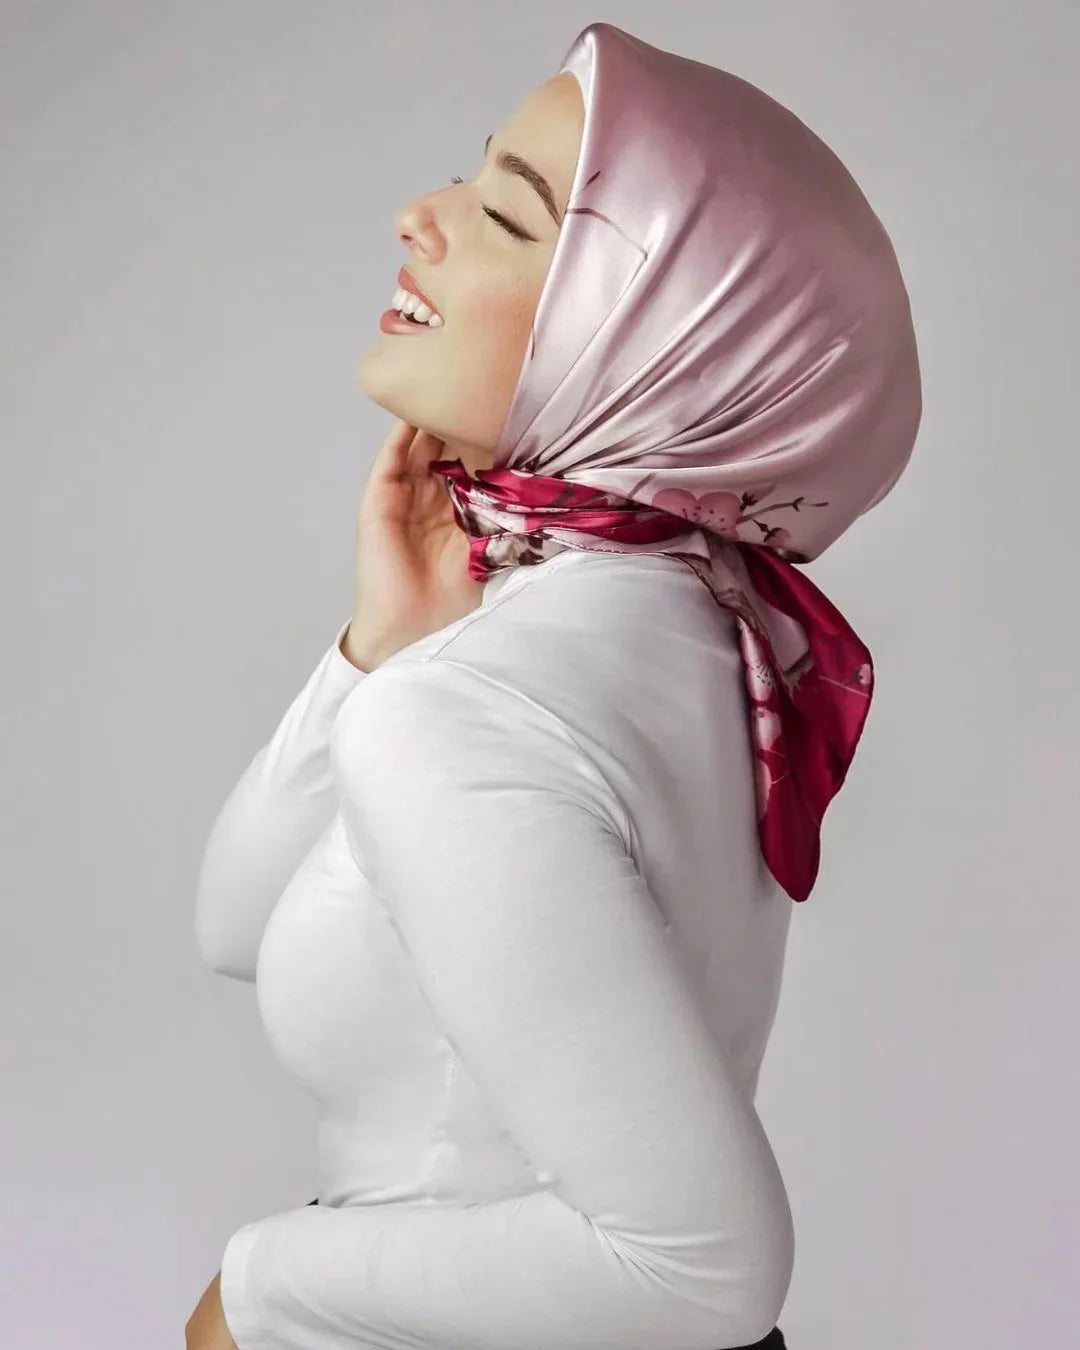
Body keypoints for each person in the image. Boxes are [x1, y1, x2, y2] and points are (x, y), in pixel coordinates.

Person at [189, 19, 920, 1350]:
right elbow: (234, 929)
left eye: (509, 217)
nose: (421, 216)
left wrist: (257, 1290)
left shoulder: (476, 709)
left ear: (654, 343)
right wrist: (378, 644)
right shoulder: (700, 630)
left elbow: (704, 1271)